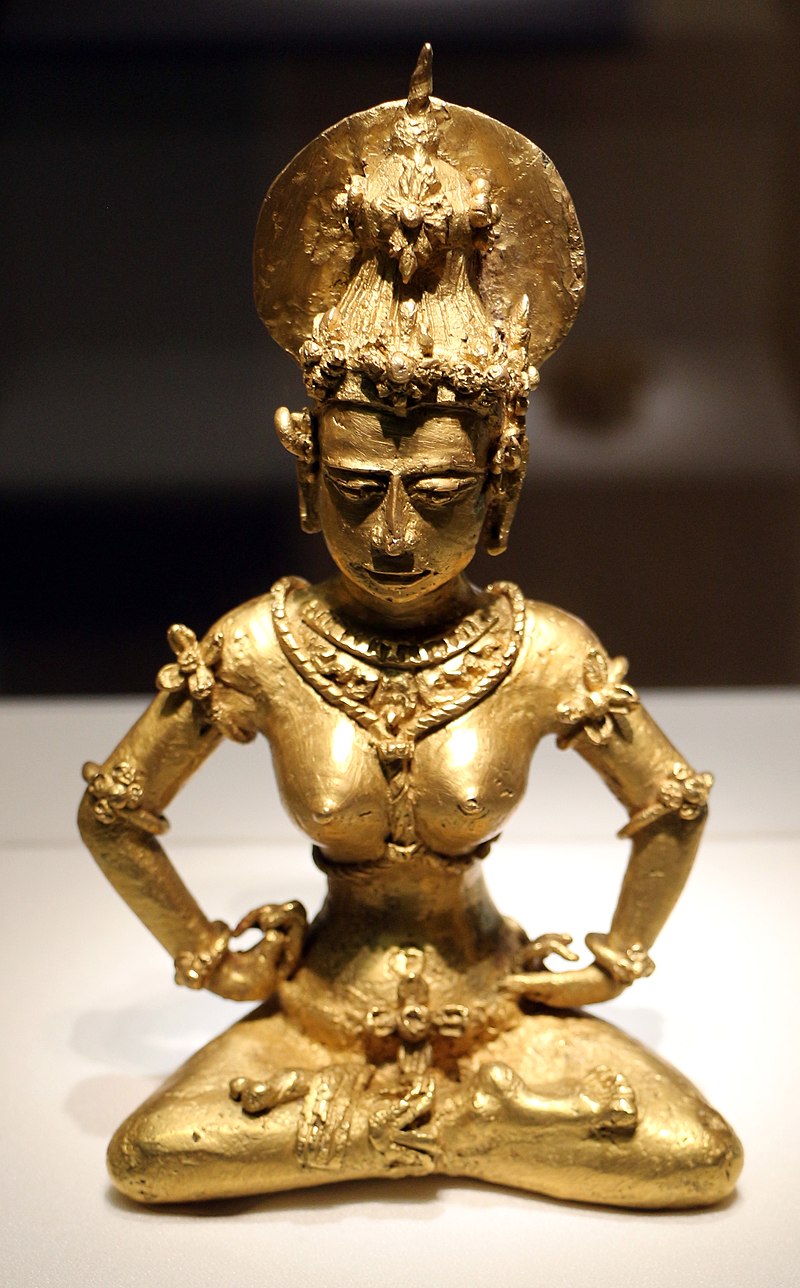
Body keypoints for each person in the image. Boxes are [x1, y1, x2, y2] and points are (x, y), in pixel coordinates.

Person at [78, 46, 742, 1208]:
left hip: (495, 1006)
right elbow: (117, 809)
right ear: (306, 478)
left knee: (693, 1155)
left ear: (500, 487)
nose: (391, 534)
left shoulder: (543, 654)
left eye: (436, 493)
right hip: (315, 1012)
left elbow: (670, 804)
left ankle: (411, 1123)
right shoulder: (258, 647)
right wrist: (206, 953)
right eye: (355, 487)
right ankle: (470, 1128)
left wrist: (613, 959)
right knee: (153, 1154)